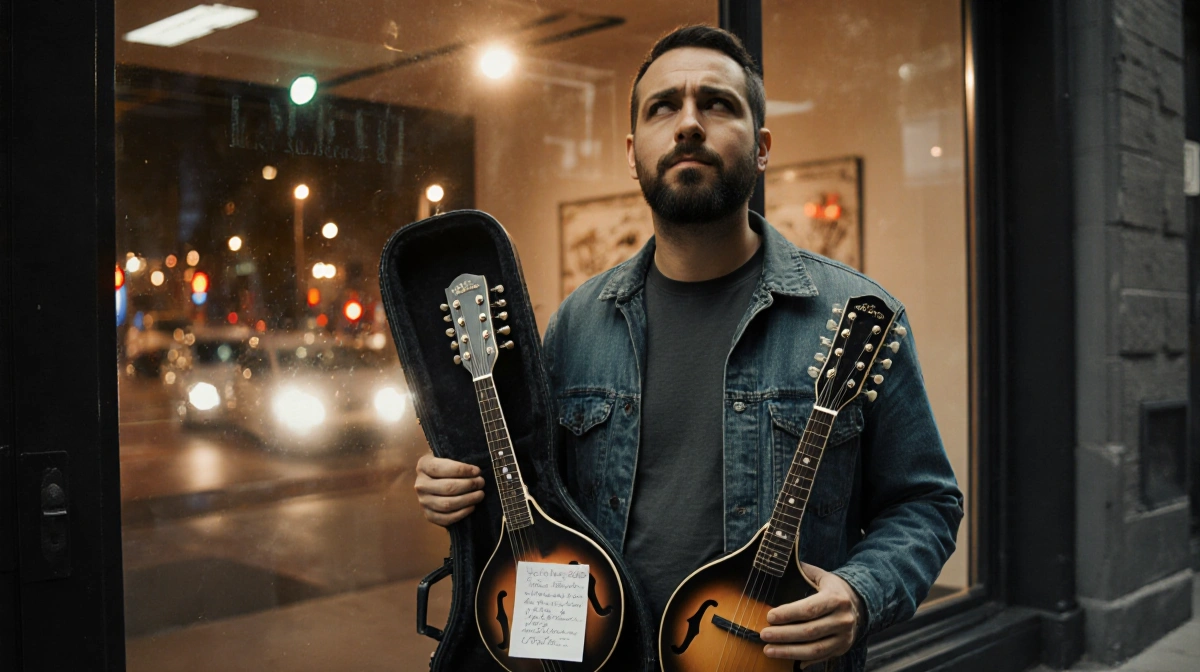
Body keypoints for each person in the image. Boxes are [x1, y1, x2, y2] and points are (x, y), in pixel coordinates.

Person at [414, 24, 963, 671]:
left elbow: (925, 503)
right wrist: (456, 488)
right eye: (663, 106)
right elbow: (534, 495)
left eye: (719, 104)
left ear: (761, 148)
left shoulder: (856, 316)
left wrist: (861, 592)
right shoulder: (577, 324)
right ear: (632, 150)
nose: (689, 124)